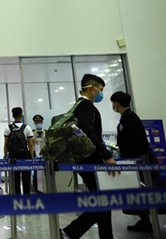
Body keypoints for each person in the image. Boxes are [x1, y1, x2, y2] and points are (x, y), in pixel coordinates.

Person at [60, 74, 117, 239]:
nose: (101, 93)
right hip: (89, 159)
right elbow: (88, 131)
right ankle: (69, 232)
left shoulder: (78, 105)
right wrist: (106, 155)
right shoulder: (86, 105)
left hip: (83, 158)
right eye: (100, 89)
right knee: (103, 200)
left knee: (102, 199)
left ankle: (100, 236)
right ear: (92, 88)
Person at [110, 91, 156, 232]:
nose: (113, 105)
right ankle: (145, 220)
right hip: (135, 161)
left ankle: (147, 221)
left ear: (116, 103)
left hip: (138, 162)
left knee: (142, 190)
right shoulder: (127, 117)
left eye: (113, 103)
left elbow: (135, 142)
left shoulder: (129, 118)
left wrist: (131, 160)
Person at [4, 107, 34, 195]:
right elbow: (31, 145)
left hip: (13, 156)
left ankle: (16, 198)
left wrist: (5, 155)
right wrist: (31, 157)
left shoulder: (8, 128)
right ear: (21, 115)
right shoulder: (27, 128)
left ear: (13, 115)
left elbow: (5, 144)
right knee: (26, 178)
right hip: (25, 155)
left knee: (14, 178)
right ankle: (26, 197)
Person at [32, 114, 45, 193]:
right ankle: (36, 189)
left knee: (44, 172)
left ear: (42, 122)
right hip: (35, 154)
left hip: (44, 153)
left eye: (39, 121)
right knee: (36, 173)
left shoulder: (46, 132)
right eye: (36, 122)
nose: (38, 123)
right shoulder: (32, 132)